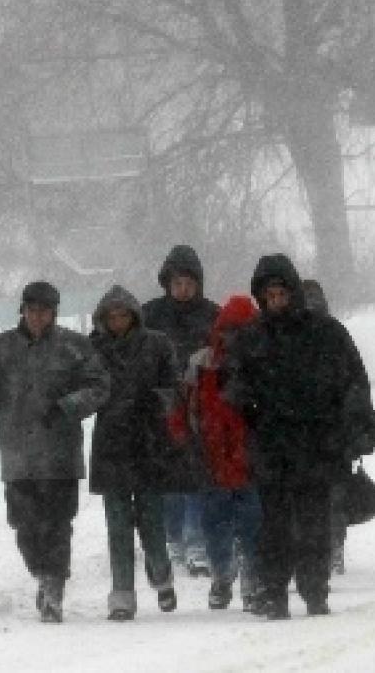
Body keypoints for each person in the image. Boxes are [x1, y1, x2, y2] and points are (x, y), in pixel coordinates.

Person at [225, 254, 375, 619]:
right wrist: (250, 407)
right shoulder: (252, 339)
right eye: (269, 295)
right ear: (261, 297)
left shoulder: (326, 333)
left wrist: (354, 426)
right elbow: (234, 386)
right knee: (274, 525)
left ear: (293, 292)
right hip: (272, 444)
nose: (276, 301)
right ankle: (275, 592)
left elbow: (353, 382)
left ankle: (314, 590)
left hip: (317, 443)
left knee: (314, 523)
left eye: (281, 293)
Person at [0, 281, 110, 623]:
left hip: (60, 454)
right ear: (22, 310)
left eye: (44, 311)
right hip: (18, 455)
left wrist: (67, 406)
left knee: (57, 524)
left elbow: (100, 386)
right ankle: (41, 572)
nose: (37, 317)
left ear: (55, 313)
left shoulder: (74, 347)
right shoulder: (0, 348)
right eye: (31, 310)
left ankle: (53, 586)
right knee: (25, 525)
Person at [88, 285, 183, 621]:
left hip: (148, 442)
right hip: (111, 444)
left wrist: (153, 401)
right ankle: (122, 595)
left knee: (152, 522)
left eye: (123, 315)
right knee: (117, 526)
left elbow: (174, 388)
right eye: (111, 316)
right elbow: (83, 390)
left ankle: (162, 576)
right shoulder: (92, 348)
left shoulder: (157, 344)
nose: (117, 322)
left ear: (134, 316)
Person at [169, 295, 262, 612]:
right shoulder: (201, 362)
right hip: (211, 456)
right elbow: (182, 405)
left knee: (251, 525)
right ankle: (223, 573)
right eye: (228, 330)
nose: (232, 338)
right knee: (214, 525)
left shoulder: (262, 361)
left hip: (248, 457)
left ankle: (250, 576)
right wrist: (181, 436)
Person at [141, 245, 219, 576]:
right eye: (177, 283)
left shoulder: (212, 314)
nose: (183, 290)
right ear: (166, 284)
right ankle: (172, 536)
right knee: (168, 478)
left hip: (203, 407)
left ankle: (196, 540)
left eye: (188, 283)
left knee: (199, 474)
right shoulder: (150, 314)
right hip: (162, 406)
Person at [300, 278, 375, 575]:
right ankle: (332, 549)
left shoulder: (292, 334)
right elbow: (357, 383)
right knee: (332, 496)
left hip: (310, 431)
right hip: (335, 431)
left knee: (311, 497)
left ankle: (318, 551)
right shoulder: (336, 334)